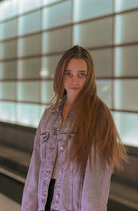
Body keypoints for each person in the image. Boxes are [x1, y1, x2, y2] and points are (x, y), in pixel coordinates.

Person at [21, 45, 127, 211]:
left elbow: (96, 185)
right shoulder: (49, 115)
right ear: (60, 75)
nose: (74, 81)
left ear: (89, 77)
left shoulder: (97, 115)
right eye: (68, 73)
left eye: (81, 75)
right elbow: (35, 170)